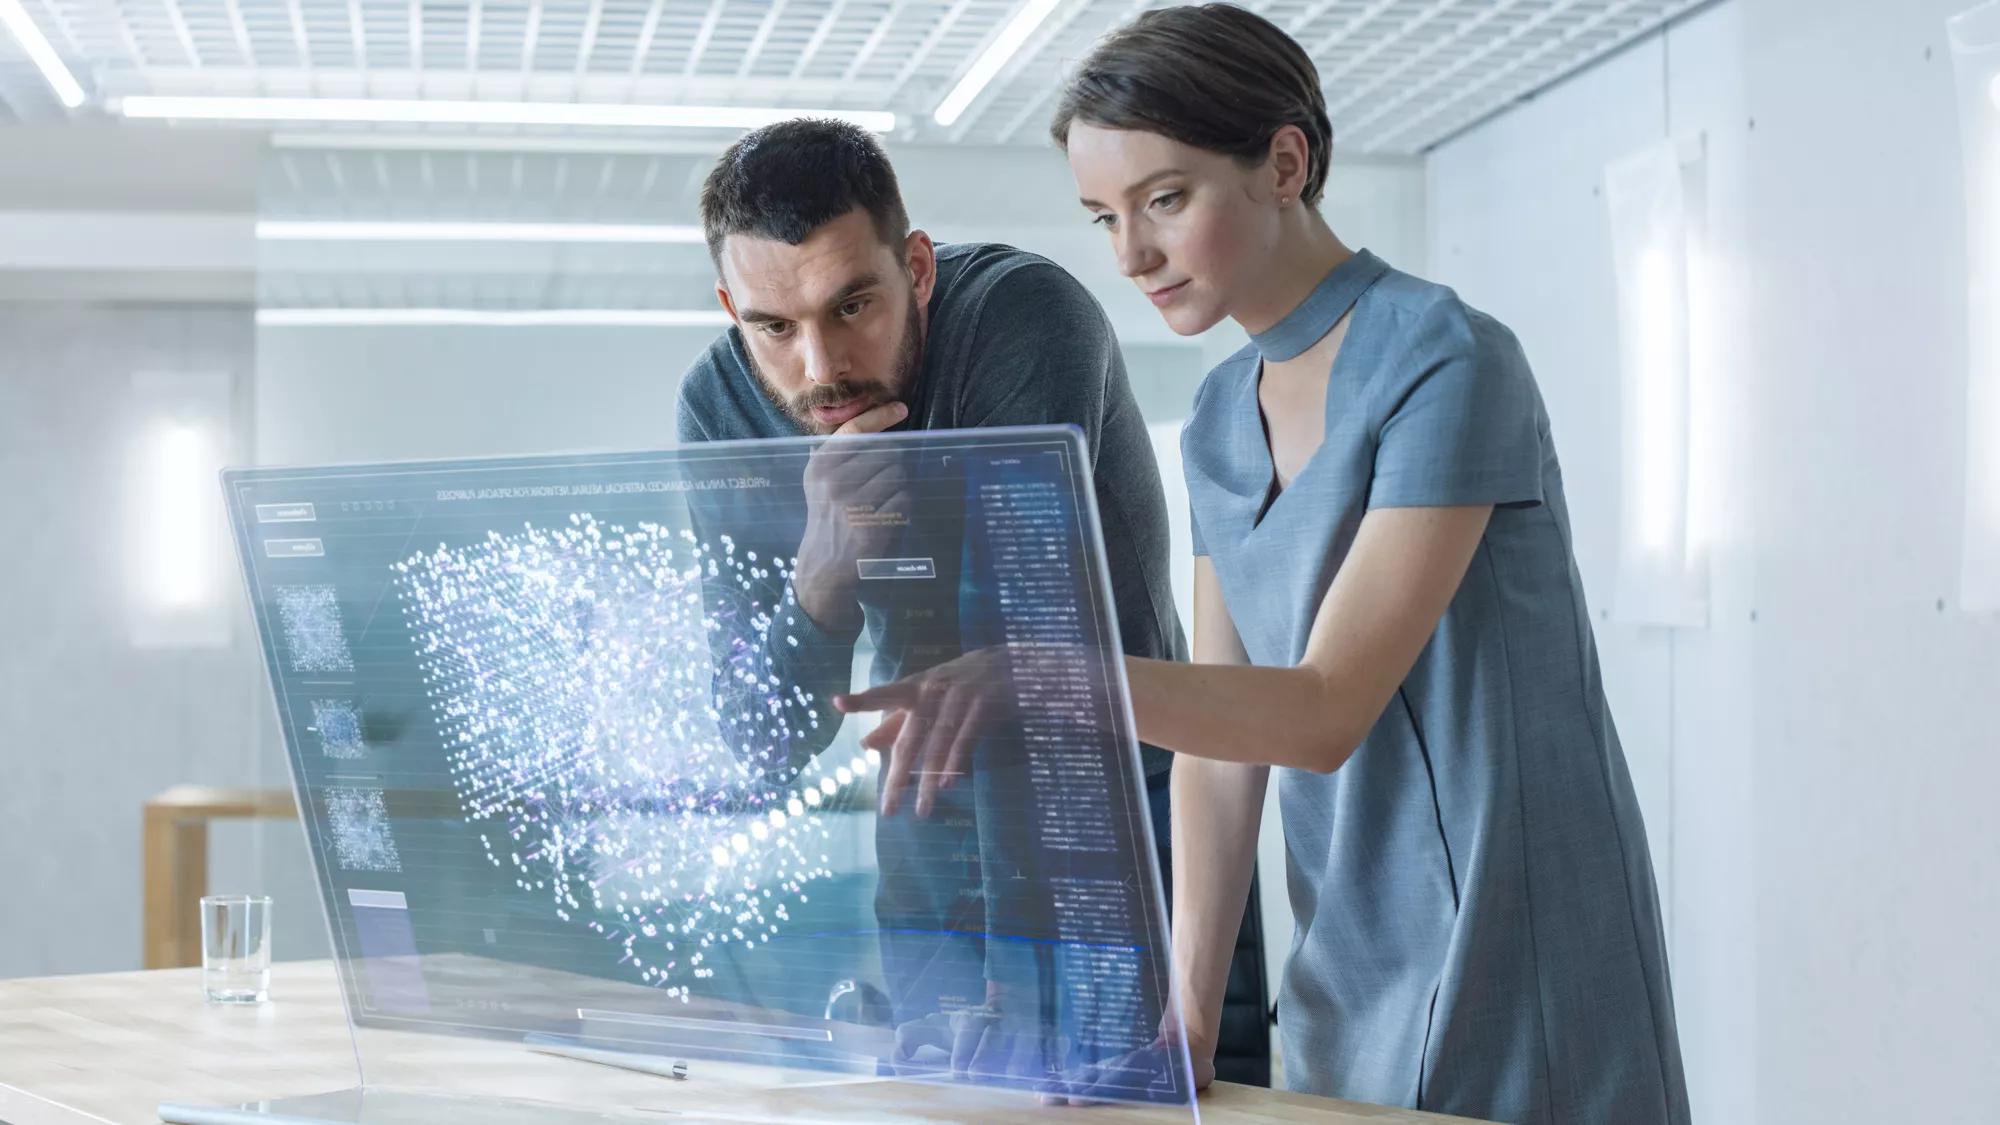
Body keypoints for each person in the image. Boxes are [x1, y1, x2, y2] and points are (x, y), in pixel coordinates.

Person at [836, 6, 1690, 1123]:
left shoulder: (1447, 360)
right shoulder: (1216, 421)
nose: (1130, 255)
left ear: (1284, 163)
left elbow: (1320, 711)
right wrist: (1187, 1019)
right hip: (1344, 966)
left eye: (1164, 199)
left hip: (1515, 952)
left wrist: (1043, 675)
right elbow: (1214, 756)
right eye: (1103, 218)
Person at [673, 117, 1272, 1086]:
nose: (820, 369)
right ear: (729, 306)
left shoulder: (1021, 320)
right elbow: (752, 740)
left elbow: (1024, 663)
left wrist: (1020, 994)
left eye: (852, 305)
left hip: (1112, 802)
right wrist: (818, 581)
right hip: (926, 813)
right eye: (772, 328)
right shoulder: (719, 407)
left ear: (915, 268)